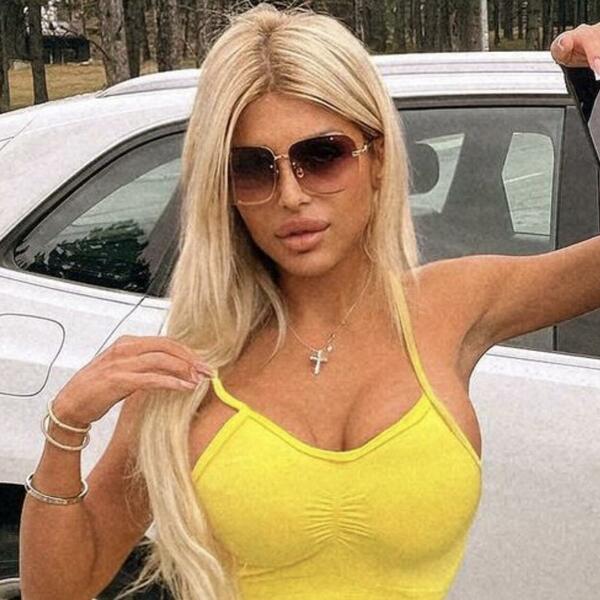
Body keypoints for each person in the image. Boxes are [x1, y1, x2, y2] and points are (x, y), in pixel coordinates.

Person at [19, 4, 600, 600]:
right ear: (224, 190)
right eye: (252, 168)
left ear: (377, 158)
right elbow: (58, 591)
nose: (291, 195)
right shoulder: (184, 372)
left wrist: (590, 89)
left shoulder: (451, 305)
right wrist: (67, 424)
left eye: (321, 156)